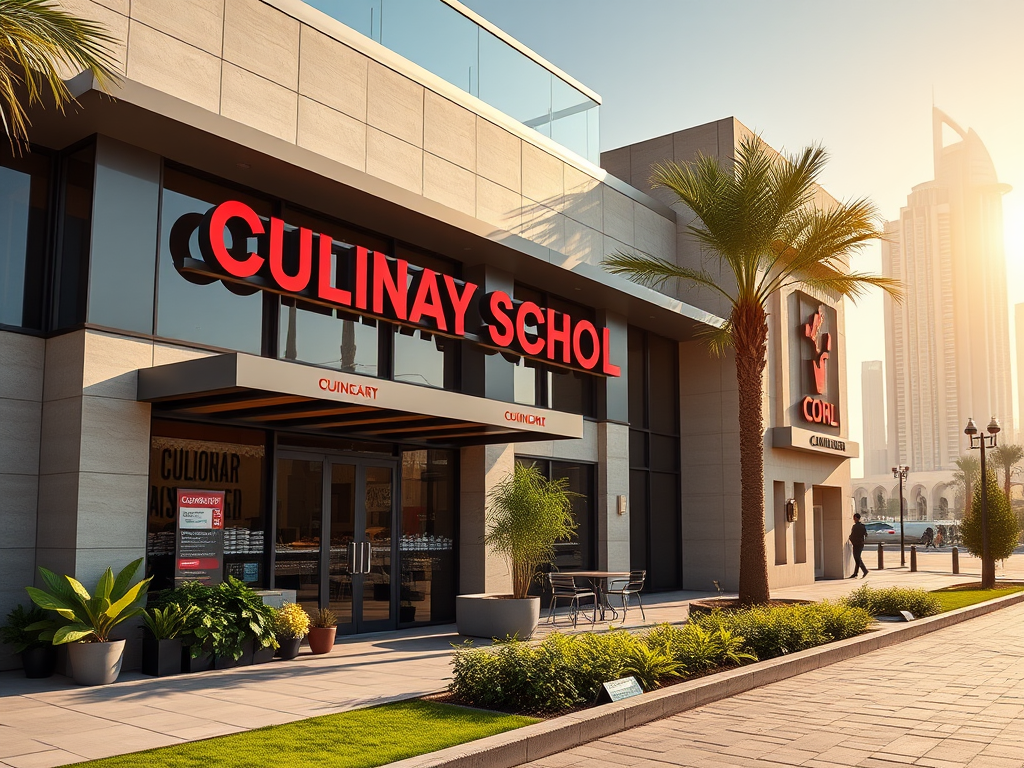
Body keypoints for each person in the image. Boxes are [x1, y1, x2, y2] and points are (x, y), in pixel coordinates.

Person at [849, 513, 869, 578]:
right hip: (860, 544)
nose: (853, 519)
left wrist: (851, 539)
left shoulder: (855, 526)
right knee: (857, 558)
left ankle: (864, 570)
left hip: (856, 544)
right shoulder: (862, 526)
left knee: (857, 558)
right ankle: (856, 573)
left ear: (856, 518)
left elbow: (852, 535)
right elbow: (866, 534)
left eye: (854, 518)